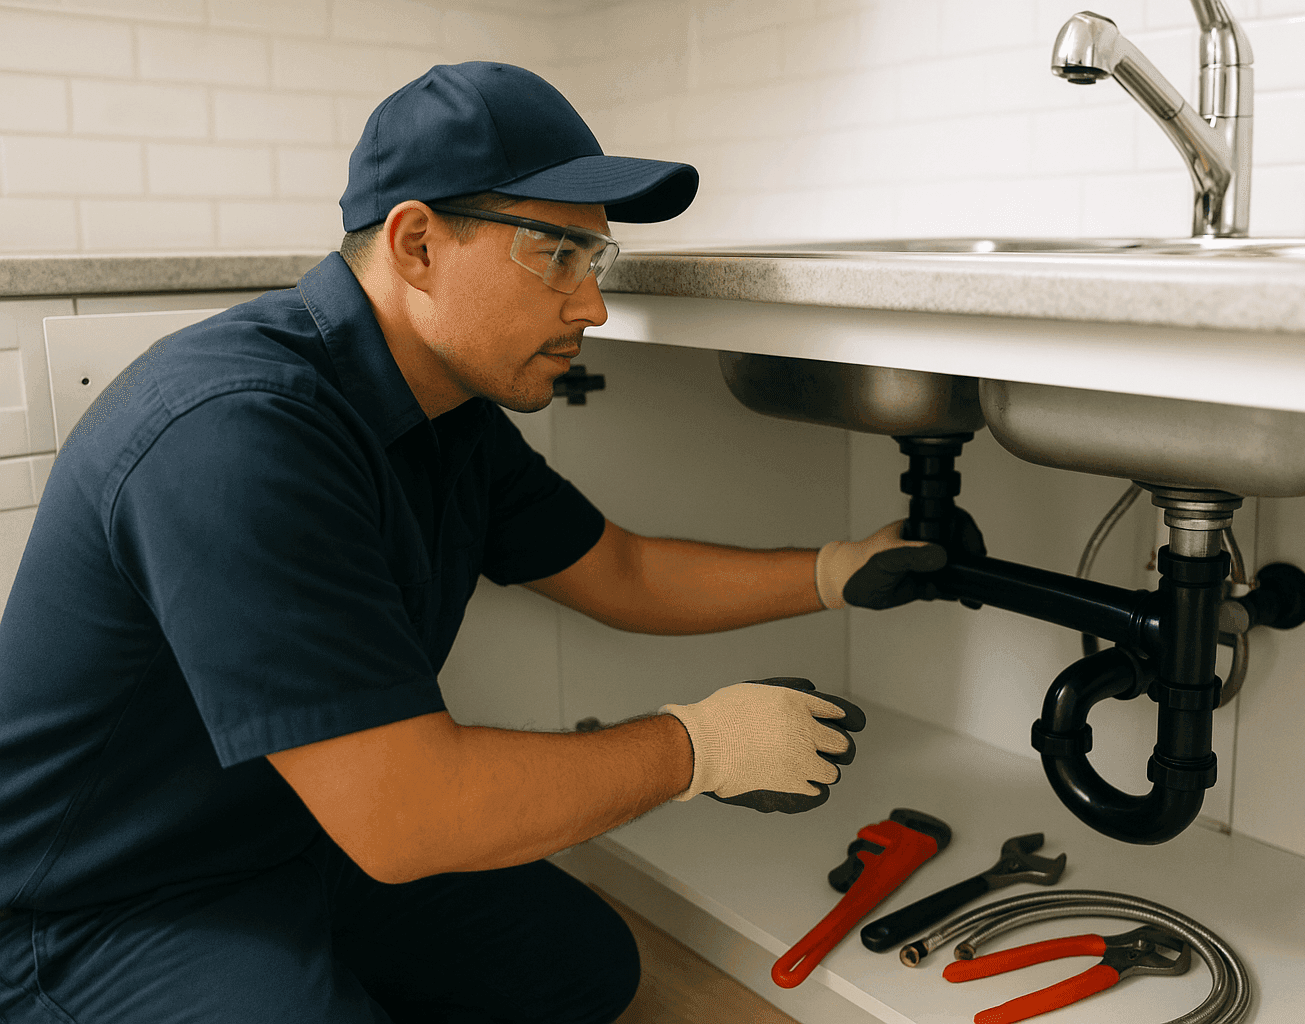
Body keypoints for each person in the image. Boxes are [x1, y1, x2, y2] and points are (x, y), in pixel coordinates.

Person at [0, 63, 955, 1024]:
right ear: (418, 243)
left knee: (578, 966)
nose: (593, 307)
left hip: (294, 840)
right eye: (558, 255)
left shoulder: (444, 411)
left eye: (595, 260)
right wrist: (699, 748)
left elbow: (618, 569)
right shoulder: (237, 434)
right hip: (99, 903)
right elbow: (406, 814)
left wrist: (831, 573)